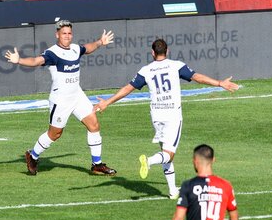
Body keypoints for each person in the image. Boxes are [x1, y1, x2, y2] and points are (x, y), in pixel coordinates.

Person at [94, 39, 239, 199]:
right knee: (169, 154)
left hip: (156, 116)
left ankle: (172, 191)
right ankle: (149, 161)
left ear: (152, 52)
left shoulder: (146, 70)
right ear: (167, 51)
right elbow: (197, 77)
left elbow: (128, 88)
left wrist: (107, 102)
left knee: (166, 152)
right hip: (172, 115)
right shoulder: (176, 66)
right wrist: (219, 83)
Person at [5, 20, 116, 176]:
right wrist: (19, 60)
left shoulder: (75, 49)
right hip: (61, 100)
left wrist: (100, 42)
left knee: (94, 125)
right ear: (57, 35)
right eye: (64, 33)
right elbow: (36, 61)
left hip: (77, 95)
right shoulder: (52, 53)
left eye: (70, 33)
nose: (67, 36)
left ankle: (96, 164)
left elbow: (87, 49)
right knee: (55, 134)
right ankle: (33, 155)